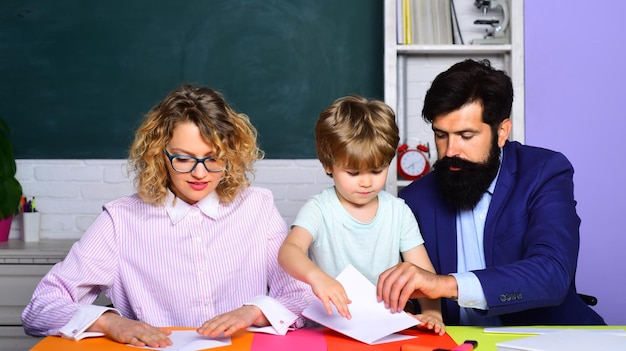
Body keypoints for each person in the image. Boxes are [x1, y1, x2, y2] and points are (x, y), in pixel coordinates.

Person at [22, 84, 315, 347]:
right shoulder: (121, 220)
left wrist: (253, 312)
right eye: (184, 158)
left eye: (213, 158)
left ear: (232, 154)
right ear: (159, 156)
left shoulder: (257, 208)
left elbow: (302, 296)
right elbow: (41, 308)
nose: (200, 173)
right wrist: (111, 322)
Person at [376, 59, 606, 326]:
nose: (450, 151)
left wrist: (445, 285)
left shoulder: (545, 173)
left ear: (502, 132)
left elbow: (552, 273)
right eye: (441, 135)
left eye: (466, 135)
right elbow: (414, 294)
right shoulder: (414, 199)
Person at [278, 95, 445, 335]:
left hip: (384, 329)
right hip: (329, 329)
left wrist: (432, 314)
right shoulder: (320, 208)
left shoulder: (398, 212)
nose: (366, 182)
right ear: (328, 164)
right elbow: (288, 251)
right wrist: (318, 278)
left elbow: (424, 276)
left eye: (377, 170)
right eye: (353, 172)